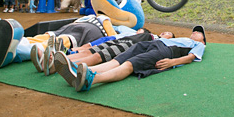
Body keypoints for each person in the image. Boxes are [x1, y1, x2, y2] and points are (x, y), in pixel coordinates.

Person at [55, 26, 207, 92]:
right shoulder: (184, 38)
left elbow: (189, 58)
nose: (194, 33)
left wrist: (172, 62)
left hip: (166, 51)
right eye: (194, 31)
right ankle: (78, 71)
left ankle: (92, 80)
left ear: (203, 40)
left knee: (129, 65)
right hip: (152, 43)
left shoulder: (199, 45)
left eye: (198, 33)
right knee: (117, 60)